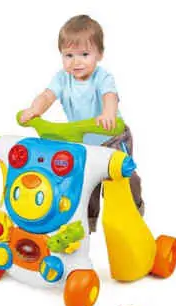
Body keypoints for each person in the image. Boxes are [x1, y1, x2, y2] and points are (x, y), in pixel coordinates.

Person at [18, 15, 143, 231]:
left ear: (99, 54)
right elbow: (47, 96)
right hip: (83, 141)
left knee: (122, 178)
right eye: (69, 55)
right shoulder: (61, 79)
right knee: (86, 181)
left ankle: (134, 211)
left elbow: (110, 96)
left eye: (84, 54)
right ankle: (88, 224)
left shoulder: (102, 78)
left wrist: (108, 114)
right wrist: (34, 110)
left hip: (112, 137)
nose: (76, 62)